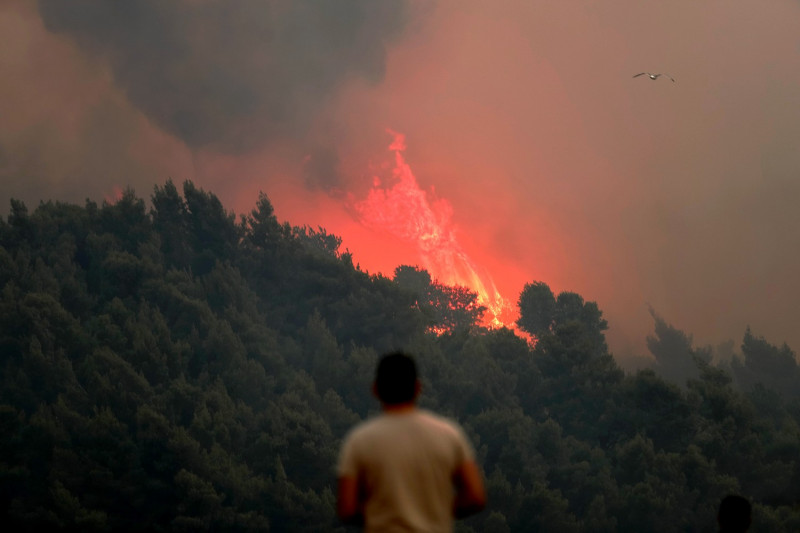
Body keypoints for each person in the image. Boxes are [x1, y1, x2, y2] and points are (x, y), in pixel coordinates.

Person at [337, 351, 487, 531]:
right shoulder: (449, 435)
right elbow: (475, 496)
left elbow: (347, 508)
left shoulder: (359, 441)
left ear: (375, 389)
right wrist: (437, 511)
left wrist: (380, 513)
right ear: (418, 388)